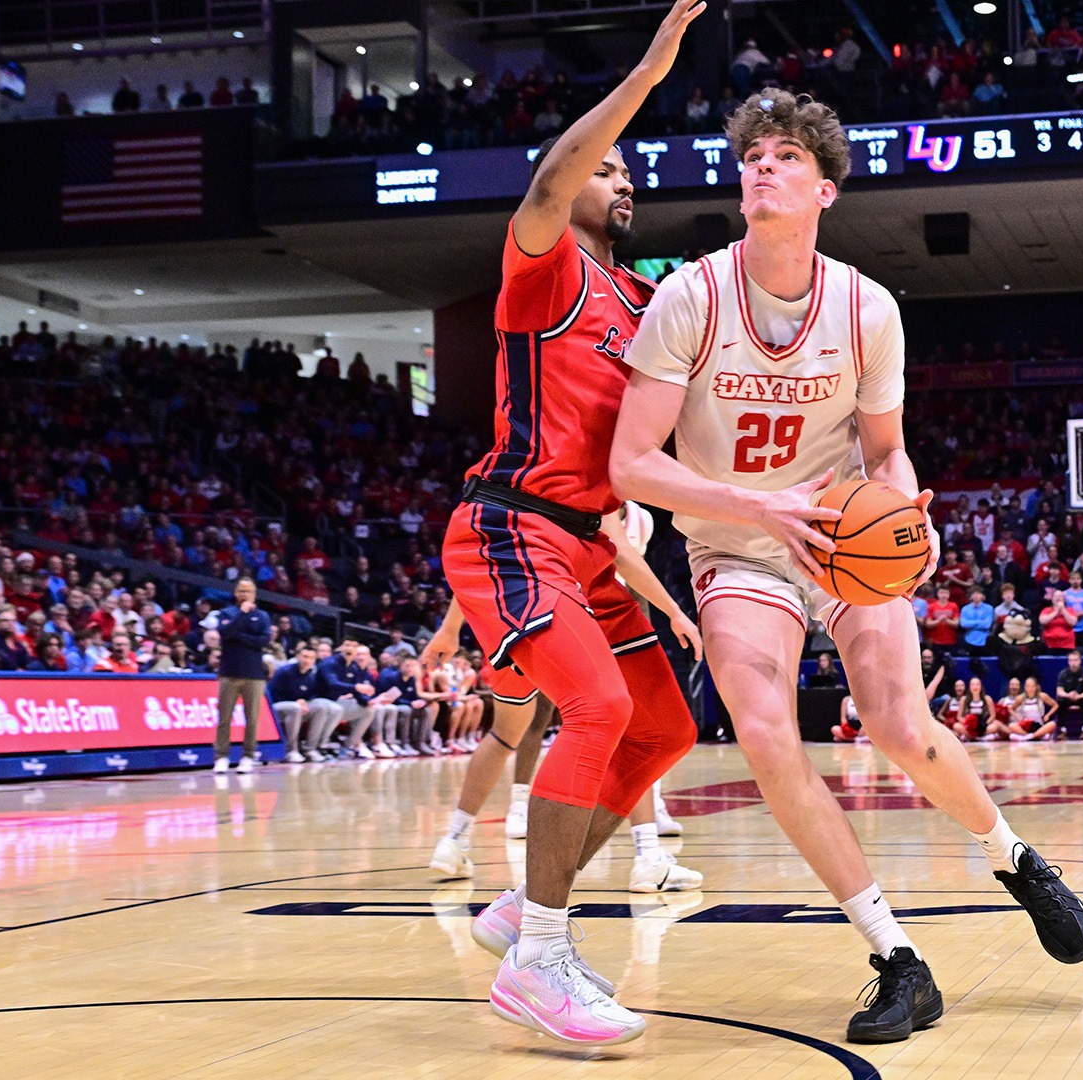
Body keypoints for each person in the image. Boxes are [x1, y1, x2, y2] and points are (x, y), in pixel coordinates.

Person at [610, 85, 1083, 1042]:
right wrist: (760, 507)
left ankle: (1015, 858)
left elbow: (885, 453)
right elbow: (631, 464)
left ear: (825, 189)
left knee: (900, 725)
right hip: (739, 544)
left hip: (843, 536)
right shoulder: (691, 297)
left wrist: (910, 513)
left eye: (787, 156)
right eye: (754, 154)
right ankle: (896, 958)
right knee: (763, 732)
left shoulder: (868, 309)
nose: (763, 167)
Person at [433, 12, 714, 1042]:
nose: (623, 183)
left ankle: (518, 910)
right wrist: (647, 73)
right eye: (614, 170)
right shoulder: (543, 268)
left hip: (593, 545)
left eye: (632, 175)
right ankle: (540, 957)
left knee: (666, 726)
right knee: (591, 708)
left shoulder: (643, 300)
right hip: (512, 529)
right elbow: (555, 178)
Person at [426, 502, 705, 897]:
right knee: (612, 723)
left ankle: (459, 835)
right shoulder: (591, 491)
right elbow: (623, 558)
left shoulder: (624, 510)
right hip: (564, 610)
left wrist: (450, 629)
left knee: (514, 731)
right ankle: (643, 853)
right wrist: (672, 610)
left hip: (544, 603)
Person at [211, 579, 273, 773]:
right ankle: (221, 756)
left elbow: (264, 640)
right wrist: (242, 614)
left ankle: (248, 756)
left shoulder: (262, 616)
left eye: (248, 591)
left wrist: (240, 637)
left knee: (252, 718)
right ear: (236, 593)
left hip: (254, 674)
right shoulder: (226, 612)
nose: (244, 594)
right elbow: (225, 633)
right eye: (241, 591)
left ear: (254, 594)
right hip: (229, 672)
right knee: (224, 718)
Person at [268, 644, 337, 762]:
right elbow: (272, 695)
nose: (307, 660)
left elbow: (313, 694)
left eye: (311, 658)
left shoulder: (312, 674)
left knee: (321, 708)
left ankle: (310, 749)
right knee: (295, 708)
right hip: (276, 708)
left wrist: (305, 701)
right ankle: (291, 750)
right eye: (304, 656)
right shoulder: (284, 672)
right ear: (298, 657)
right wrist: (296, 702)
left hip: (297, 707)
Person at [1054, 649, 1083, 739]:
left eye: (1075, 660)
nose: (1073, 663)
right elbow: (1059, 691)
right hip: (1068, 697)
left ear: (1080, 661)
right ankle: (1062, 731)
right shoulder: (1063, 674)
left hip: (1081, 697)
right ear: (1068, 662)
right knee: (1060, 701)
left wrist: (1079, 696)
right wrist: (1068, 695)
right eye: (1071, 660)